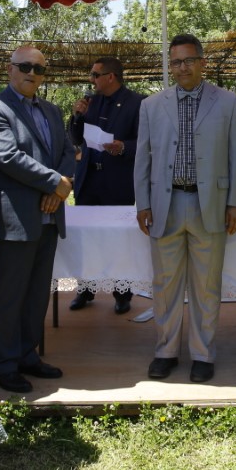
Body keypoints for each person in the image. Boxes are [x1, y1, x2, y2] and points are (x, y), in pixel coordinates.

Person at [135, 34, 236, 383]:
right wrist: (143, 203)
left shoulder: (228, 102)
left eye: (188, 60)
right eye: (176, 62)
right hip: (165, 205)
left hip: (210, 205)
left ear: (202, 62)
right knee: (165, 284)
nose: (182, 67)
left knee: (206, 286)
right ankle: (165, 352)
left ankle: (203, 354)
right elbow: (142, 158)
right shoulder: (152, 105)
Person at [0, 45, 75, 394]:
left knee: (36, 294)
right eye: (25, 66)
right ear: (10, 69)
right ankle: (3, 365)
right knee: (9, 296)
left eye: (39, 69)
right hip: (17, 218)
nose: (32, 73)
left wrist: (60, 189)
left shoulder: (52, 110)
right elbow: (6, 156)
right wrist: (54, 183)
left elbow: (68, 151)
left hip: (50, 215)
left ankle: (26, 355)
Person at [68, 55, 144, 314]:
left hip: (117, 182)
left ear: (110, 77)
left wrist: (124, 147)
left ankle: (122, 293)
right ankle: (85, 289)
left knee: (118, 240)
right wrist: (77, 116)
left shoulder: (137, 103)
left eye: (95, 75)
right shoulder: (91, 101)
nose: (91, 79)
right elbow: (76, 138)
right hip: (89, 180)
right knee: (86, 239)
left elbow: (147, 142)